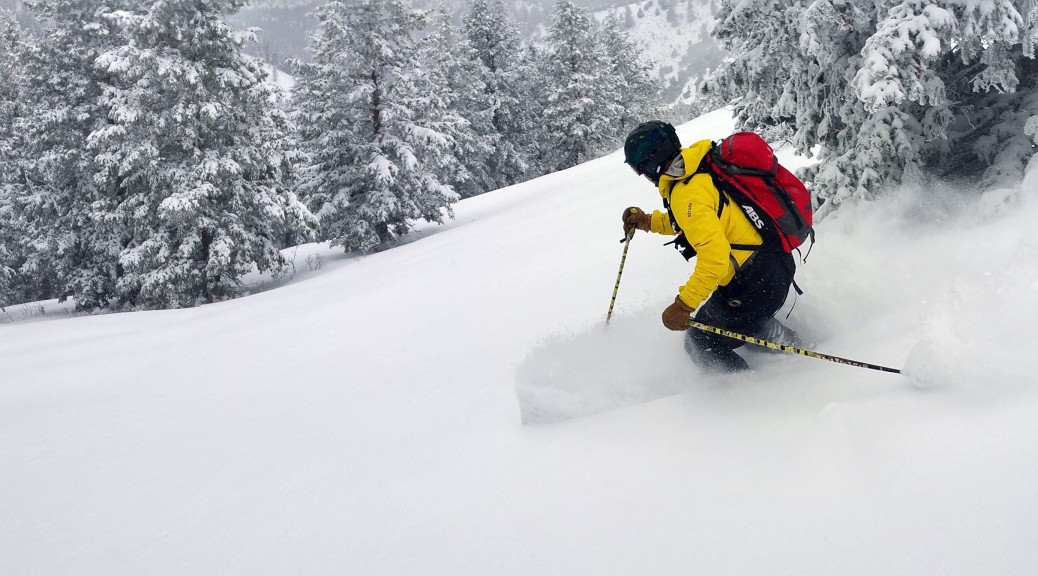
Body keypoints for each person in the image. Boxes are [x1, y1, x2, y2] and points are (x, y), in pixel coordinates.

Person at [621, 120, 801, 373]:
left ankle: (748, 390)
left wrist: (683, 305)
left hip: (753, 282)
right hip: (771, 264)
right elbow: (699, 219)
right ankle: (786, 343)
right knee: (737, 322)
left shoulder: (687, 195)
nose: (643, 175)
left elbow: (714, 259)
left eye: (639, 169)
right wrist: (648, 221)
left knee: (700, 340)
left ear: (651, 162)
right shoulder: (697, 168)